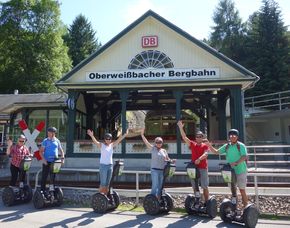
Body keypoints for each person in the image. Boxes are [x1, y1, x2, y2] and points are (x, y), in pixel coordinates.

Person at [205, 129, 248, 208]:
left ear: (237, 136)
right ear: (229, 137)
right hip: (230, 171)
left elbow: (244, 156)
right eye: (231, 135)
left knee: (242, 190)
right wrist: (209, 145)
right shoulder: (227, 146)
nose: (232, 137)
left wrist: (236, 162)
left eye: (234, 135)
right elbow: (216, 152)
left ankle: (246, 207)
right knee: (233, 191)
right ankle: (235, 207)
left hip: (241, 171)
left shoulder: (241, 145)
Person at [87, 129, 128, 195]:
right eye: (107, 139)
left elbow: (119, 140)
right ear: (105, 139)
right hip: (103, 166)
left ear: (111, 139)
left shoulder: (112, 145)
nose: (108, 140)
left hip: (110, 166)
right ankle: (100, 196)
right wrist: (92, 136)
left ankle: (105, 196)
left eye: (109, 139)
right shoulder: (102, 145)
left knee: (108, 183)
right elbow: (95, 142)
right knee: (103, 183)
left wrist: (125, 135)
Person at [177, 120, 210, 202]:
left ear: (202, 138)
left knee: (204, 186)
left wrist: (199, 159)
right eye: (197, 136)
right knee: (195, 186)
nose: (198, 138)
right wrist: (181, 128)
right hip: (193, 168)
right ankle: (197, 201)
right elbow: (184, 137)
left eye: (200, 136)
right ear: (196, 138)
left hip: (202, 168)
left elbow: (206, 154)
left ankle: (207, 202)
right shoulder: (193, 144)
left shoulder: (205, 145)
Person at [140, 128, 174, 200]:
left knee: (160, 186)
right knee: (155, 186)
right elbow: (146, 142)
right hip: (154, 170)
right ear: (155, 143)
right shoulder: (153, 149)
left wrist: (172, 161)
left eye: (160, 142)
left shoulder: (164, 150)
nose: (159, 143)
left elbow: (167, 159)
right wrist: (142, 135)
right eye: (157, 142)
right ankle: (152, 200)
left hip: (162, 170)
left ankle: (158, 200)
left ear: (162, 143)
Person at [39, 127, 65, 194]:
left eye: (50, 132)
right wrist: (44, 160)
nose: (48, 133)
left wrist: (62, 159)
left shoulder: (57, 141)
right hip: (47, 161)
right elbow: (40, 152)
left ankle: (52, 190)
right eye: (48, 132)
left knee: (53, 176)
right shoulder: (45, 141)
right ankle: (42, 191)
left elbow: (61, 150)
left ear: (53, 133)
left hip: (55, 162)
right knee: (44, 176)